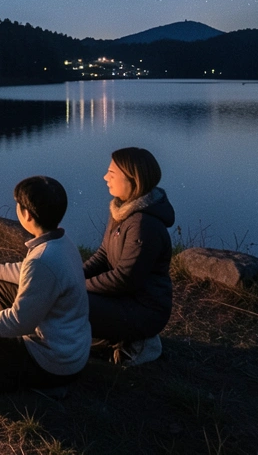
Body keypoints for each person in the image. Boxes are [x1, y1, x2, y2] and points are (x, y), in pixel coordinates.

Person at [0, 176, 90, 396]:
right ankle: (10, 361)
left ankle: (33, 384)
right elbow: (30, 272)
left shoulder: (43, 260)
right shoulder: (61, 242)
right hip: (71, 351)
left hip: (54, 363)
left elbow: (17, 321)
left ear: (27, 215)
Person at [84, 147, 175, 366]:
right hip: (123, 300)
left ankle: (139, 342)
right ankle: (107, 340)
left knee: (69, 301)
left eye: (112, 174)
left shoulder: (144, 224)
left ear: (133, 179)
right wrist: (72, 275)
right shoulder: (121, 210)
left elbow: (124, 279)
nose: (105, 177)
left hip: (144, 310)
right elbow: (103, 256)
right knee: (65, 297)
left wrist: (78, 286)